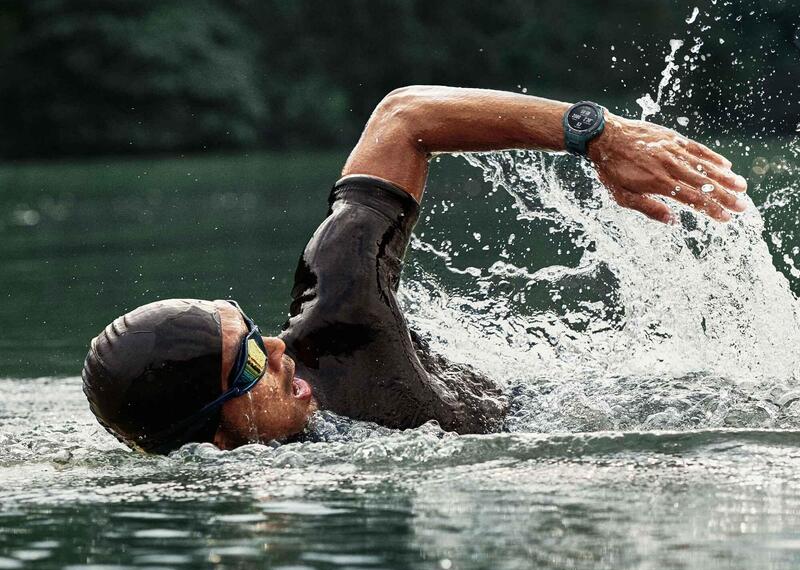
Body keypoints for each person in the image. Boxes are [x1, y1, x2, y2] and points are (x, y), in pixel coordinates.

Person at [82, 87, 749, 453]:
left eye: (256, 333)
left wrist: (598, 135)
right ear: (214, 438)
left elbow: (405, 117)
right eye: (251, 366)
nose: (281, 350)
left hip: (563, 408)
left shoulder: (344, 321)